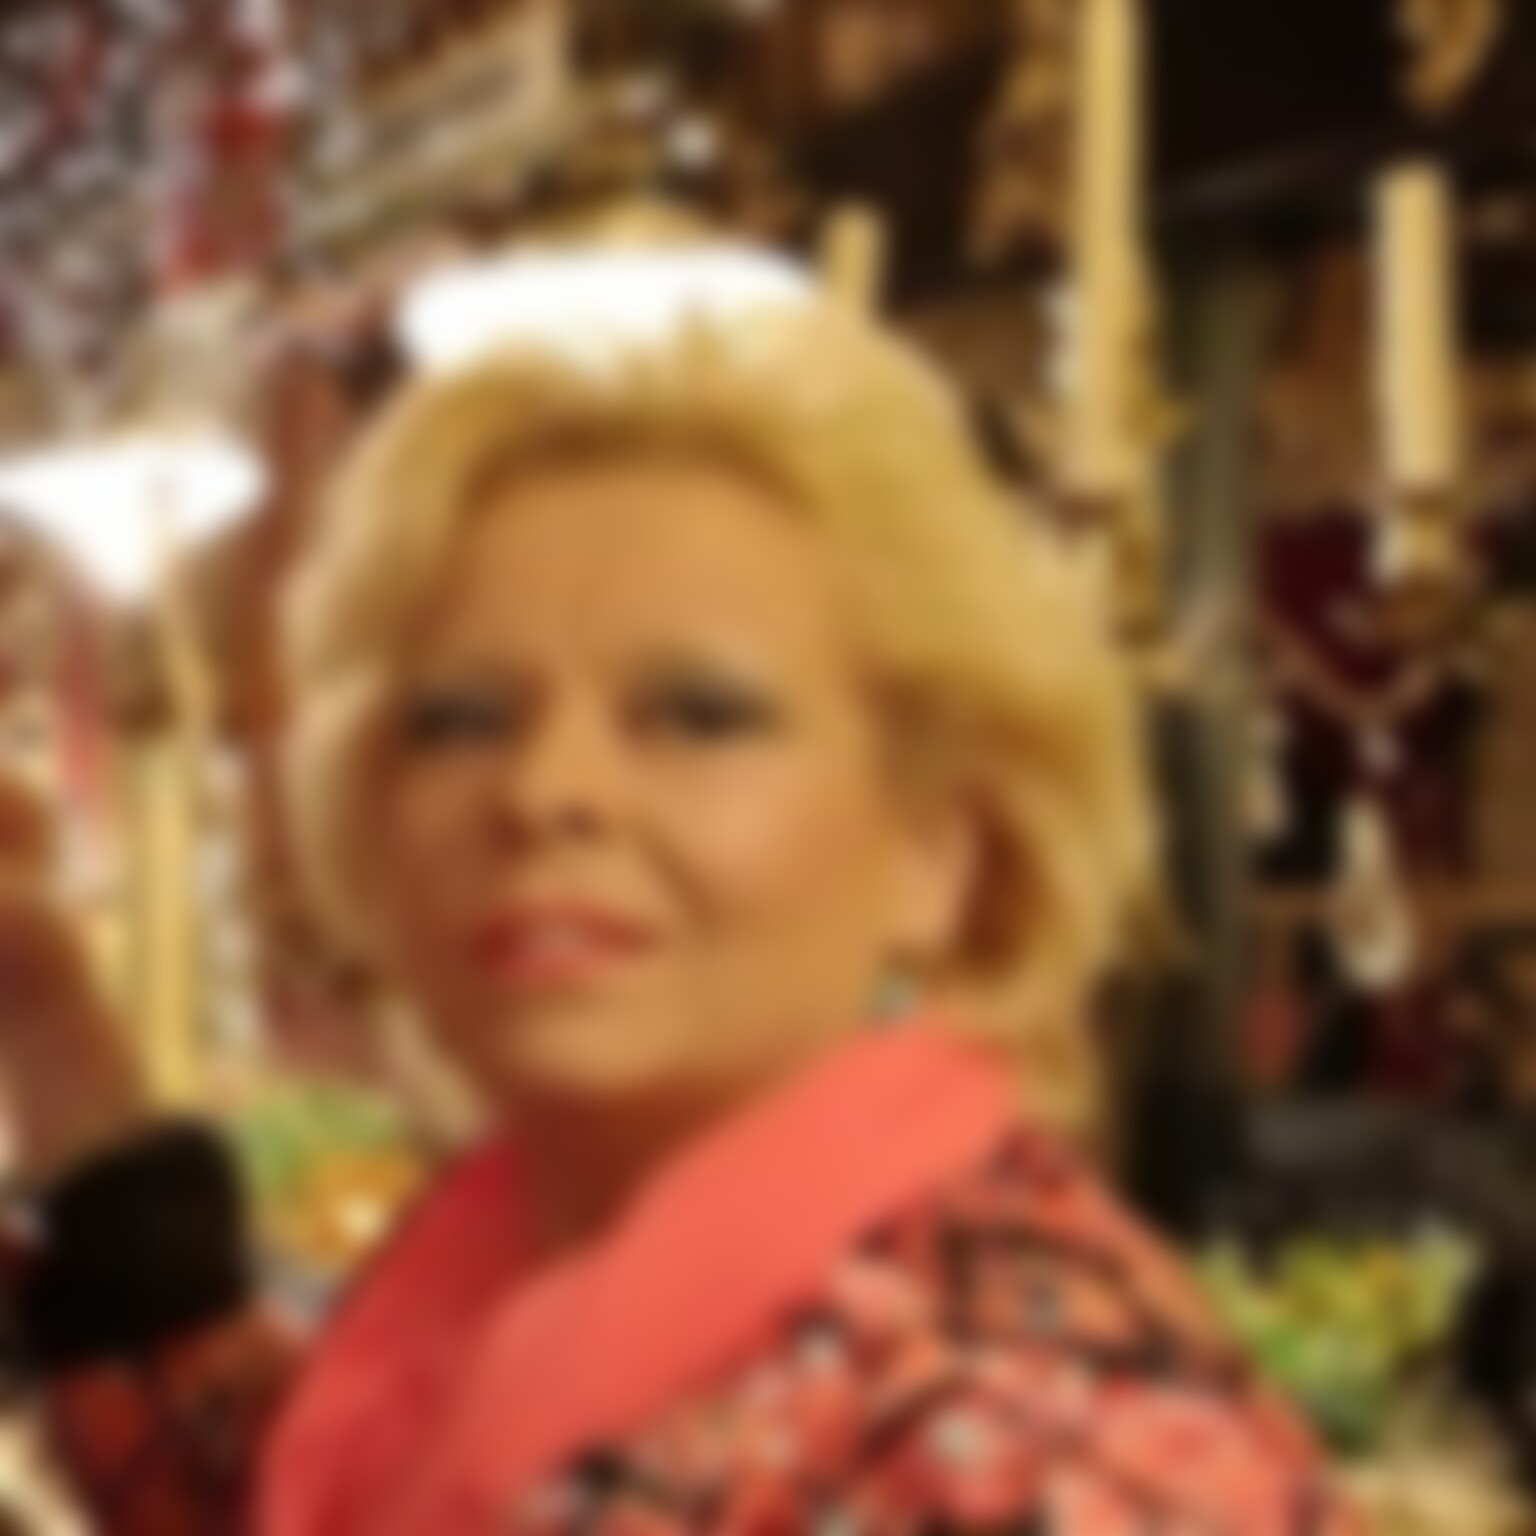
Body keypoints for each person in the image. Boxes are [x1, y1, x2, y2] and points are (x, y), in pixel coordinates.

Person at [5, 246, 1360, 1534]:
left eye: (698, 715)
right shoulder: (554, 1249)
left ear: (938, 847)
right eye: (463, 717)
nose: (548, 789)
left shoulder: (1033, 1447)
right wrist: (46, 1001)